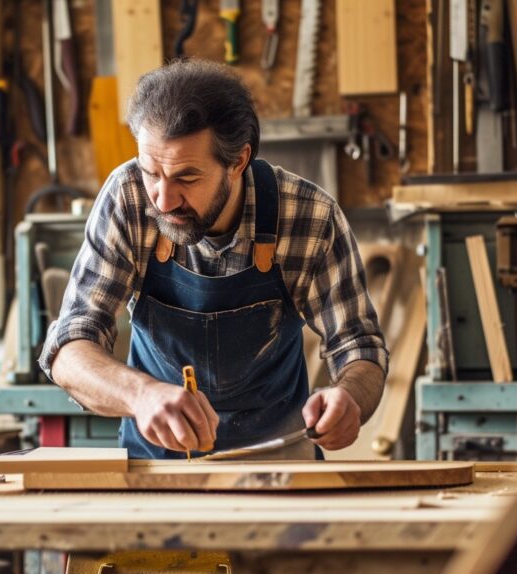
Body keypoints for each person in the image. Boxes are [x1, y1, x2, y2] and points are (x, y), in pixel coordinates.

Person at [40, 60, 388, 460]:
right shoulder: (129, 198)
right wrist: (141, 395)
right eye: (151, 172)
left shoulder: (307, 217)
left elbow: (360, 346)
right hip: (157, 465)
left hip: (279, 466)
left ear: (238, 162)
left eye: (187, 178)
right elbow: (69, 345)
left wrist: (351, 398)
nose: (163, 199)